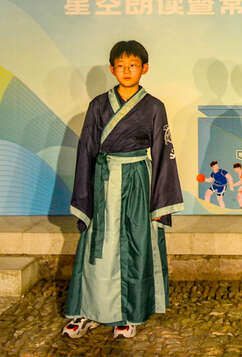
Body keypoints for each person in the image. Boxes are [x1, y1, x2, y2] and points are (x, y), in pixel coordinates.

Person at [62, 40, 184, 339]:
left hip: (136, 180)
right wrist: (84, 194)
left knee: (135, 242)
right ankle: (87, 310)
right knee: (97, 243)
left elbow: (163, 151)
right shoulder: (98, 105)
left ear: (145, 68)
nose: (127, 71)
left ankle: (129, 313)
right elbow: (86, 149)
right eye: (121, 66)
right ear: (112, 69)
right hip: (103, 181)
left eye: (133, 65)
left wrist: (161, 202)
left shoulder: (154, 107)